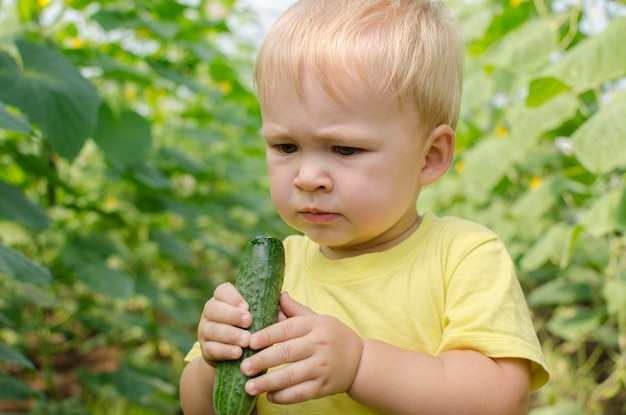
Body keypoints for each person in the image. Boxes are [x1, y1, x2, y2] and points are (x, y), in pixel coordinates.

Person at [179, 0, 550, 414]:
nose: (307, 176)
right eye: (286, 146)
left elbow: (499, 399)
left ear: (429, 156)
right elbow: (199, 409)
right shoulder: (278, 267)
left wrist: (359, 364)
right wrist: (215, 361)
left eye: (345, 148)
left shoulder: (462, 257)